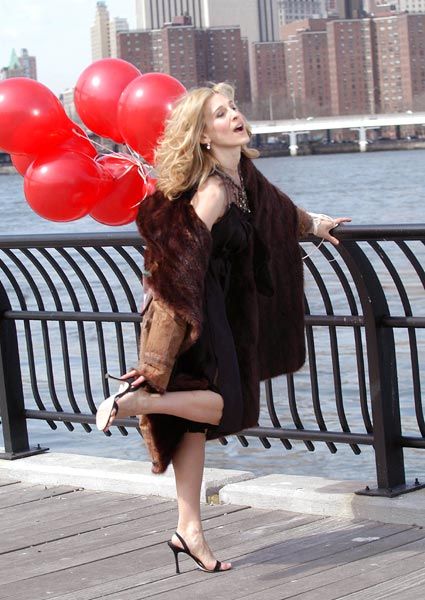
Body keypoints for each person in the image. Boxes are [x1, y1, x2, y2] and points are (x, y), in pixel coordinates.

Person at [96, 82, 350, 574]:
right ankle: (140, 402)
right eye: (219, 114)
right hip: (195, 310)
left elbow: (278, 212)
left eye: (232, 107)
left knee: (193, 426)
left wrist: (316, 224)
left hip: (220, 310)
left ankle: (187, 530)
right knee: (224, 405)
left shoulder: (241, 174)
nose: (234, 115)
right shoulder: (213, 189)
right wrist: (158, 357)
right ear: (203, 136)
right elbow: (178, 265)